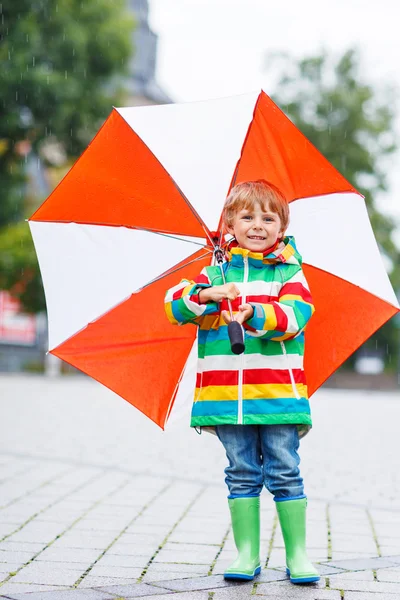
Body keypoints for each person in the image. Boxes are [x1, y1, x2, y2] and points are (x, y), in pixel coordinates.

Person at [164, 180, 319, 585]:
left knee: (285, 470)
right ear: (229, 223)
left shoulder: (289, 271)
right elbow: (175, 307)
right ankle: (247, 552)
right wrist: (210, 295)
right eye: (247, 216)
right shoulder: (213, 272)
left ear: (281, 227)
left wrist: (253, 313)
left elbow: (295, 317)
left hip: (277, 395)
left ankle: (298, 554)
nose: (257, 224)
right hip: (226, 398)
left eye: (268, 217)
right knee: (242, 471)